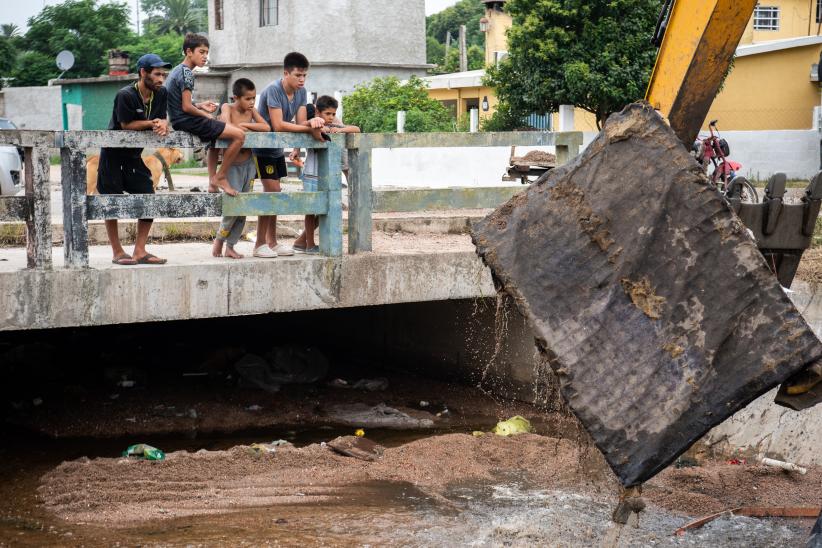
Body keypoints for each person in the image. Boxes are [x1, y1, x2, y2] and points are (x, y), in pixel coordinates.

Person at [98, 53, 172, 266]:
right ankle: (117, 251)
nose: (161, 79)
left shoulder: (162, 93)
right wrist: (152, 124)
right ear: (143, 73)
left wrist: (164, 123)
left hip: (133, 155)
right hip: (112, 154)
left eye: (163, 75)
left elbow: (161, 117)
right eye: (157, 74)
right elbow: (126, 125)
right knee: (111, 201)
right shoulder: (126, 95)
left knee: (148, 196)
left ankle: (140, 250)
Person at [251, 51, 325, 259]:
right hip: (261, 147)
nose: (302, 79)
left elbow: (300, 123)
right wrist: (310, 127)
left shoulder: (302, 92)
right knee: (272, 191)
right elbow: (278, 125)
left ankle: (271, 242)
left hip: (277, 148)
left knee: (276, 191)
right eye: (297, 75)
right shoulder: (274, 90)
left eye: (304, 76)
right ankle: (259, 244)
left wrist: (310, 123)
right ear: (286, 73)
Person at [165, 32, 245, 197]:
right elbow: (186, 107)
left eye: (207, 53)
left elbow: (180, 103)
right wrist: (204, 114)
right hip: (186, 120)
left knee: (216, 136)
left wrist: (200, 105)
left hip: (179, 120)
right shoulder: (187, 73)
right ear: (189, 52)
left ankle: (212, 183)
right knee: (239, 135)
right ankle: (220, 177)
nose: (205, 57)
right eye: (201, 52)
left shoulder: (176, 70)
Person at [292, 96, 360, 254]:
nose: (330, 117)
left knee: (327, 207)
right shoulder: (312, 124)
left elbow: (356, 129)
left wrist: (340, 130)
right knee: (311, 209)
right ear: (317, 112)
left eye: (333, 114)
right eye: (327, 114)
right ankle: (309, 244)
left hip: (328, 174)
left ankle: (304, 242)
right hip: (312, 172)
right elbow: (307, 131)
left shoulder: (333, 124)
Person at [212, 78, 270, 259]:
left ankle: (231, 245)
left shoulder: (252, 111)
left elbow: (266, 127)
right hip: (232, 166)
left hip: (248, 164)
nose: (252, 102)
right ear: (235, 97)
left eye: (253, 98)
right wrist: (241, 127)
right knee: (232, 208)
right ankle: (219, 241)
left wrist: (246, 125)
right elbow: (227, 125)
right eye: (247, 99)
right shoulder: (226, 108)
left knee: (243, 208)